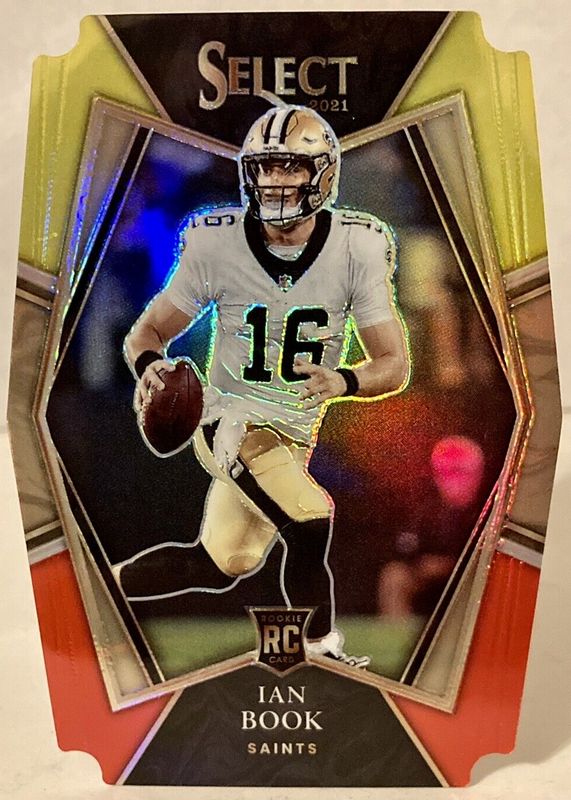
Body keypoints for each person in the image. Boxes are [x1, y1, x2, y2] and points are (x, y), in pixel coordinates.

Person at [117, 105, 408, 668]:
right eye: (266, 167)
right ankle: (319, 649)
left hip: (293, 432)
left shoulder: (357, 247)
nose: (275, 181)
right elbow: (145, 334)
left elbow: (394, 364)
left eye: (290, 166)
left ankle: (99, 586)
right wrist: (150, 364)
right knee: (310, 516)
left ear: (324, 173)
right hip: (229, 420)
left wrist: (345, 378)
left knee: (221, 563)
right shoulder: (217, 243)